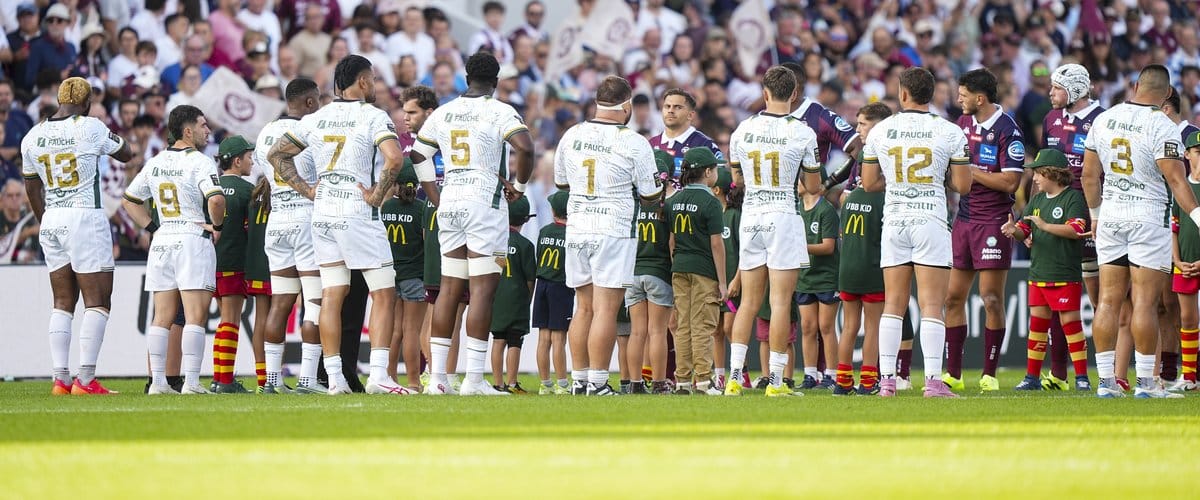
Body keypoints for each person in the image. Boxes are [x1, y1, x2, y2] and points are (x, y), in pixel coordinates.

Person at [267, 55, 409, 396]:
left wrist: (307, 189)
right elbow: (394, 157)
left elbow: (276, 155)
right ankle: (379, 375)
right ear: (361, 82)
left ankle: (334, 380)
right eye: (372, 79)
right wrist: (376, 196)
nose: (374, 85)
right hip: (356, 209)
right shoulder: (373, 116)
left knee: (331, 295)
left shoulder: (317, 118)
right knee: (384, 292)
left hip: (324, 209)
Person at [410, 52, 535, 396]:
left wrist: (434, 195)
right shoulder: (499, 110)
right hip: (484, 202)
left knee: (449, 288)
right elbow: (524, 148)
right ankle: (475, 380)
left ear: (466, 78)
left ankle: (437, 378)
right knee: (481, 290)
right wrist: (519, 188)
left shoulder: (445, 111)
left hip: (450, 201)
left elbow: (418, 154)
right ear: (495, 82)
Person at [1082, 64, 1198, 399]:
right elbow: (1177, 180)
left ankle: (1106, 383)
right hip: (1148, 218)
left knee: (1107, 301)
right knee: (1146, 304)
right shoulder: (1162, 125)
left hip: (1112, 218)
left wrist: (1095, 215)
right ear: (1168, 95)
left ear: (1135, 85)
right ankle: (1146, 385)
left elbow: (1089, 176)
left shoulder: (1103, 119)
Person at [860, 67, 973, 398]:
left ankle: (887, 382)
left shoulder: (881, 131)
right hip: (931, 220)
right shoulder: (950, 132)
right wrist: (941, 179)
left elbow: (868, 184)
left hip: (895, 219)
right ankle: (934, 382)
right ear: (932, 94)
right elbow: (963, 185)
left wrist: (896, 183)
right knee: (932, 304)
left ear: (903, 93)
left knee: (893, 303)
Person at [21, 77, 132, 395]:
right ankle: (85, 379)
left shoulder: (33, 136)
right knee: (98, 301)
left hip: (52, 217)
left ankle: (60, 379)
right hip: (85, 215)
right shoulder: (91, 127)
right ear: (87, 103)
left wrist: (46, 220)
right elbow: (125, 153)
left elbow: (31, 186)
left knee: (62, 302)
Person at [554, 75, 663, 396]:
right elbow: (651, 193)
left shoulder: (571, 135)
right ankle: (599, 382)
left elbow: (562, 183)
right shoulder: (633, 142)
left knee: (583, 308)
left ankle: (579, 381)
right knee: (604, 310)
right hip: (612, 230)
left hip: (577, 228)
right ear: (626, 106)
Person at [723, 66, 823, 397]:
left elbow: (736, 179)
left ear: (765, 93)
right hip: (783, 214)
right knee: (780, 302)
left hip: (751, 216)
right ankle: (777, 381)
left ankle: (735, 377)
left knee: (749, 302)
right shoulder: (803, 132)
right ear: (794, 94)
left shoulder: (743, 129)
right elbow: (812, 186)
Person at [122, 104, 226, 395]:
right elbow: (216, 201)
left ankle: (157, 383)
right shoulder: (200, 162)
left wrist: (153, 228)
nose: (208, 130)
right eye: (203, 125)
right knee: (195, 315)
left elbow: (130, 200)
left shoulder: (155, 162)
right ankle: (191, 382)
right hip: (192, 235)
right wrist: (217, 227)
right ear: (188, 130)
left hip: (163, 237)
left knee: (161, 316)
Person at [944, 68, 1026, 392]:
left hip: (994, 221)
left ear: (980, 98)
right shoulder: (961, 125)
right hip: (963, 219)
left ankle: (989, 373)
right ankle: (954, 374)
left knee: (991, 299)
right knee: (952, 298)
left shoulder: (1009, 130)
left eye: (962, 95)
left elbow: (1010, 181)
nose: (958, 99)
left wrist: (973, 173)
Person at [254, 78, 324, 394]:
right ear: (309, 103)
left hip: (277, 220)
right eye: (318, 100)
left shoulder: (265, 132)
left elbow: (266, 174)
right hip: (306, 219)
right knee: (314, 300)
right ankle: (308, 379)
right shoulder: (311, 131)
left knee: (279, 302)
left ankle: (272, 380)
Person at [1002, 149, 1091, 391]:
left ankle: (1082, 377)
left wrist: (1045, 225)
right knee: (1037, 326)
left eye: (1039, 173)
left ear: (1052, 173)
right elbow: (1025, 230)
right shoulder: (1037, 200)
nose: (1036, 179)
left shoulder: (1073, 199)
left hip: (1064, 273)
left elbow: (1076, 230)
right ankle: (1032, 377)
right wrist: (1014, 231)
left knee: (1070, 324)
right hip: (1038, 273)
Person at [1040, 63, 1104, 391]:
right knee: (1055, 296)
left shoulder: (1101, 120)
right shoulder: (1050, 119)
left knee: (1100, 300)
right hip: (1056, 218)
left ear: (1076, 90)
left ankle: (1110, 372)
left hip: (1093, 219)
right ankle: (1059, 374)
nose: (1050, 93)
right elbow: (1043, 172)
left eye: (1057, 87)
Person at [832, 102, 891, 396]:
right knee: (873, 324)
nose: (857, 131)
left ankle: (843, 382)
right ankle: (868, 381)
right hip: (871, 263)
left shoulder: (853, 193)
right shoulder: (885, 194)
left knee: (849, 324)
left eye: (862, 125)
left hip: (847, 264)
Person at [665, 147, 726, 395]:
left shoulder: (673, 201)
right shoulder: (711, 202)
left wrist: (677, 264)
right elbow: (716, 244)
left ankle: (682, 381)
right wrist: (722, 282)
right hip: (703, 271)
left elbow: (671, 242)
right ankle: (702, 381)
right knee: (702, 326)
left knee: (683, 326)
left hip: (679, 267)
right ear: (708, 172)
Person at [625, 150, 675, 395]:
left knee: (637, 332)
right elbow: (672, 245)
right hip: (659, 272)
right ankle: (658, 383)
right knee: (657, 332)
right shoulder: (668, 206)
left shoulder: (631, 204)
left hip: (632, 273)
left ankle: (634, 383)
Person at [210, 136, 256, 393]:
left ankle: (220, 378)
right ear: (237, 161)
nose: (251, 161)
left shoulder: (211, 186)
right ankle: (225, 381)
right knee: (231, 321)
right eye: (248, 157)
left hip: (211, 262)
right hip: (235, 261)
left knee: (223, 322)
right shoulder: (248, 191)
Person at [381, 160, 426, 391]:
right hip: (415, 276)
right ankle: (413, 381)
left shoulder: (385, 208)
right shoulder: (422, 210)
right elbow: (428, 244)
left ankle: (389, 378)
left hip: (390, 276)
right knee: (412, 331)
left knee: (394, 330)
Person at [796, 177, 840, 390]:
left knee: (826, 327)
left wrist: (800, 247)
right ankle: (810, 375)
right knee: (807, 327)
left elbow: (828, 246)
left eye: (800, 179)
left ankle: (831, 375)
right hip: (804, 277)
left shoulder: (827, 210)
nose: (797, 183)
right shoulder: (795, 209)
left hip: (826, 276)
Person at [490, 196, 536, 393]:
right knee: (515, 341)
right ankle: (512, 383)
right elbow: (530, 278)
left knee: (498, 339)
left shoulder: (493, 241)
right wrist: (528, 298)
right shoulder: (526, 245)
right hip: (517, 299)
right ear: (525, 219)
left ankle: (498, 383)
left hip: (496, 297)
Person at [533, 190, 572, 395]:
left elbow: (539, 257)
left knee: (543, 338)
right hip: (561, 286)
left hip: (542, 285)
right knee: (559, 339)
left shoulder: (545, 231)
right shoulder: (571, 233)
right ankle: (563, 385)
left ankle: (545, 384)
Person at [1170, 130, 1200, 392]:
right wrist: (1176, 260)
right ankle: (1189, 376)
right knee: (1187, 319)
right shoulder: (1180, 188)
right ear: (1187, 155)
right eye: (1197, 152)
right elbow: (1174, 228)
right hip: (1185, 262)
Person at [713, 166, 741, 392]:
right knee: (716, 331)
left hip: (733, 283)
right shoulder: (712, 216)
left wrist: (737, 280)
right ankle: (719, 375)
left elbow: (745, 251)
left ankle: (739, 372)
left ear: (716, 190)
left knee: (731, 328)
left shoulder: (734, 216)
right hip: (715, 283)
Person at [244, 176, 273, 393]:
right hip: (276, 262)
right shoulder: (282, 195)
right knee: (277, 317)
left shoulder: (253, 198)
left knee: (261, 318)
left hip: (254, 263)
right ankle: (274, 375)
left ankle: (262, 378)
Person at [649, 88, 723, 167]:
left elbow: (721, 176)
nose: (670, 110)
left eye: (678, 107)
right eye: (667, 106)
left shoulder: (705, 145)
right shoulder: (651, 144)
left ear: (690, 115)